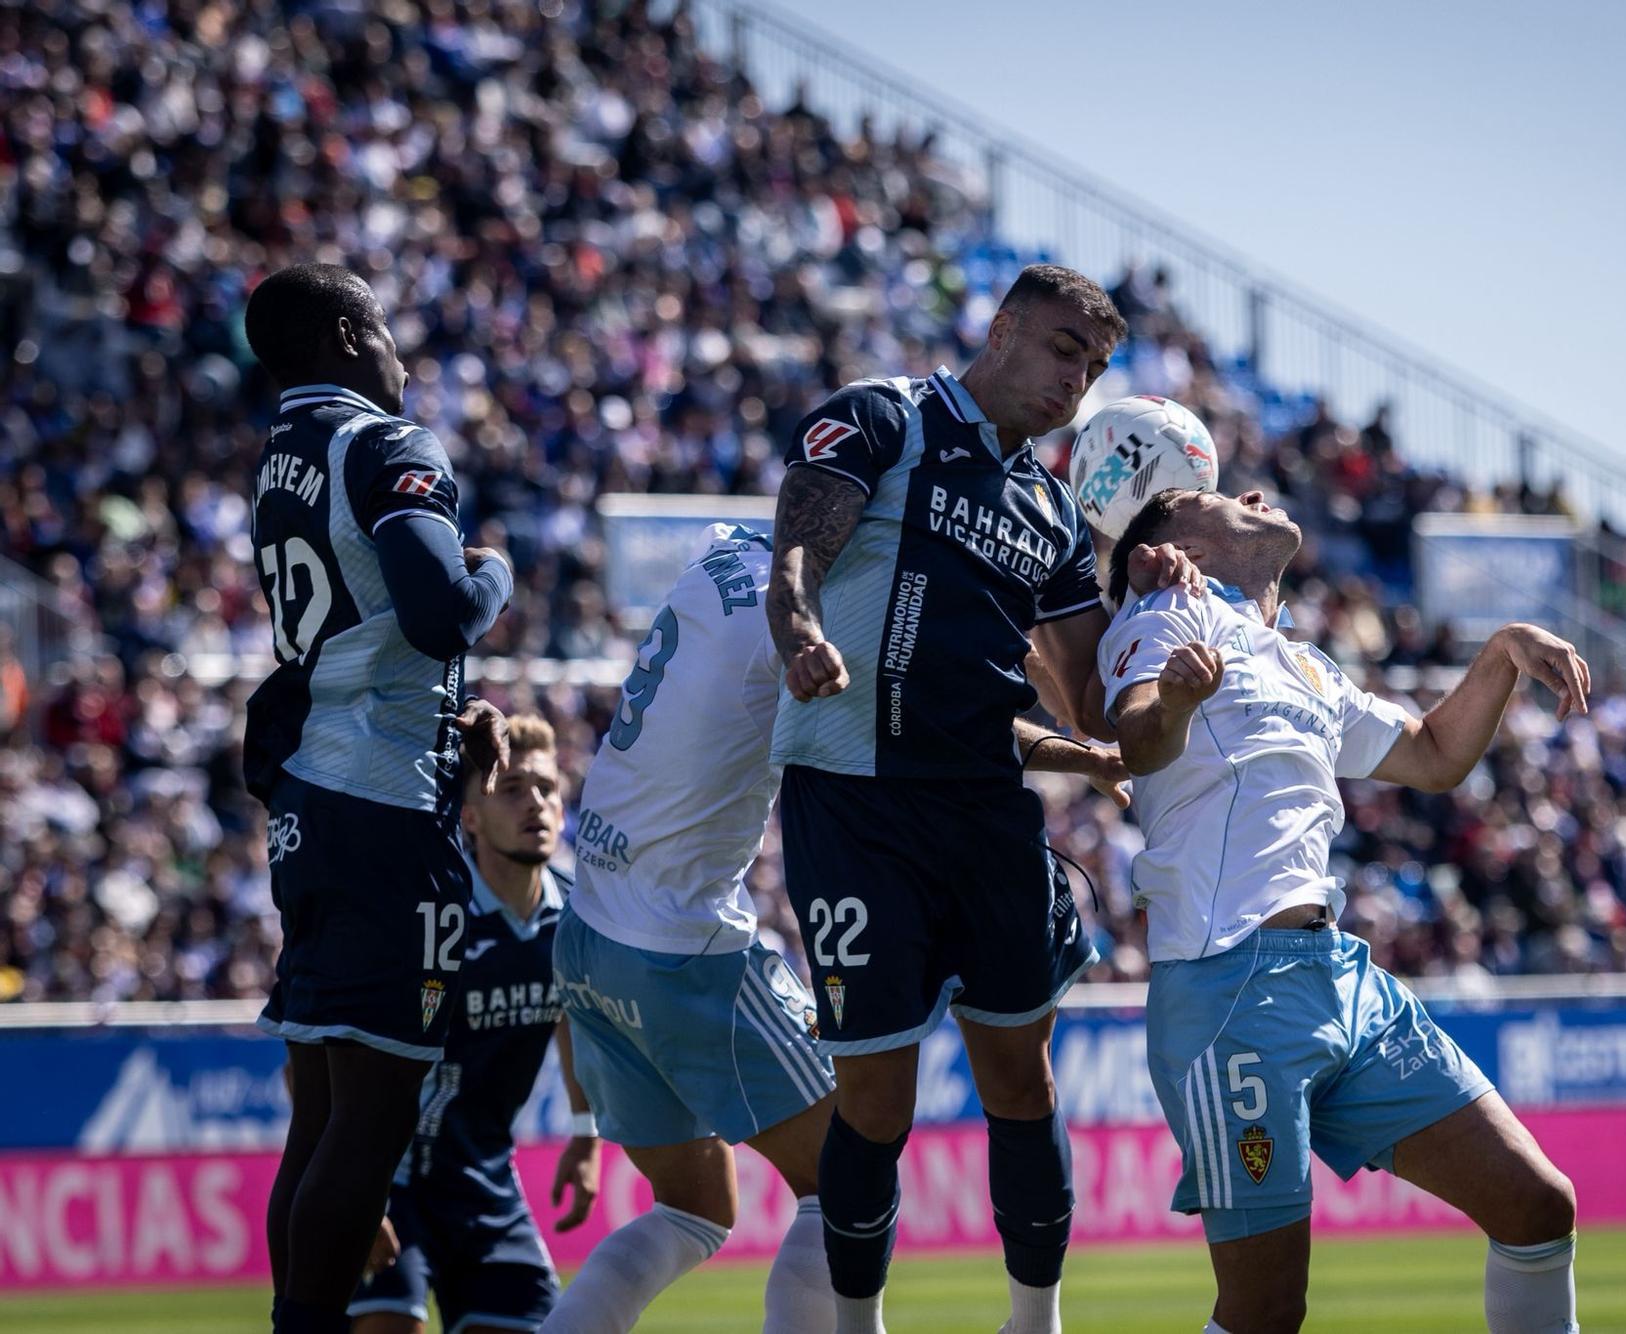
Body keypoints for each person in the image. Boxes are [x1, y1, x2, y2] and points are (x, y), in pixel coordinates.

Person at [547, 523, 1139, 1333]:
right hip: (680, 944)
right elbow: (934, 717)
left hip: (586, 935)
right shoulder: (810, 614)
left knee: (693, 1208)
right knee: (849, 1170)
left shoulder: (725, 546)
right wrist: (1084, 754)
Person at [1097, 486, 1587, 1334]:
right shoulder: (1167, 610)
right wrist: (1174, 701)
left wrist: (1503, 651)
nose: (1250, 493)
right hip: (1230, 994)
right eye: (1214, 494)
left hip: (1343, 980)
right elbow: (1137, 740)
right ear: (1184, 545)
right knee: (1264, 1314)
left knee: (1538, 1206)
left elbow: (1434, 757)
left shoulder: (1302, 662)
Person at [765, 263, 1133, 1334]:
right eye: (1065, 348)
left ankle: (1034, 1320)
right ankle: (856, 1324)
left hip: (985, 814)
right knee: (875, 1099)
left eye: (1095, 366)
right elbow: (795, 546)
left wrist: (1156, 593)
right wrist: (797, 629)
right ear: (1004, 327)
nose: (1076, 379)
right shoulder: (888, 417)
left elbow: (1098, 700)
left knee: (1020, 1080)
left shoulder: (1054, 511)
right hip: (853, 806)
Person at [242, 263, 515, 1334]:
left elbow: (362, 626)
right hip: (384, 804)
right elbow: (442, 610)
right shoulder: (383, 441)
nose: (403, 355)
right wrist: (493, 567)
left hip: (311, 797)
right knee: (372, 1115)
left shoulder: (278, 461)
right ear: (351, 334)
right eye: (389, 331)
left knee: (316, 1114)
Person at [346, 714, 600, 1333]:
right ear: (470, 818)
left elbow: (573, 1016)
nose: (535, 803)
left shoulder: (577, 919)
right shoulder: (432, 919)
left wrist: (585, 1133)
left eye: (546, 788)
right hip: (391, 1180)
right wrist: (353, 1193)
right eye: (511, 789)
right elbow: (330, 1055)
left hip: (484, 1179)